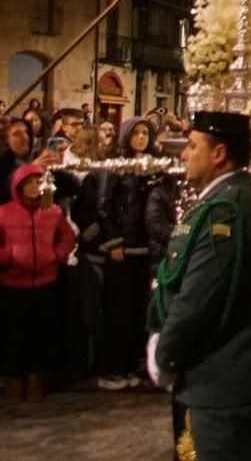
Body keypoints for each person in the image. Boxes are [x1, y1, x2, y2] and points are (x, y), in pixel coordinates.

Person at [147, 111, 251, 461]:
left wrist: (165, 354)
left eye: (192, 146)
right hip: (227, 370)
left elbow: (200, 296)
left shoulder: (226, 208)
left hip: (224, 371)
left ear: (218, 154)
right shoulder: (228, 198)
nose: (183, 155)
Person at [0, 163, 75, 402]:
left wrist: (56, 255)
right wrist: (5, 257)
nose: (33, 187)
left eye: (37, 181)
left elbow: (67, 236)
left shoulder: (52, 211)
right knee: (13, 334)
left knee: (41, 334)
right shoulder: (3, 212)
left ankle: (35, 379)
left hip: (45, 282)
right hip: (12, 284)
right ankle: (13, 379)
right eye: (28, 182)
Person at [95, 119, 157, 389]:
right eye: (137, 133)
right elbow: (103, 205)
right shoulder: (116, 166)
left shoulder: (151, 166)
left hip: (144, 246)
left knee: (137, 312)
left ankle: (131, 365)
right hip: (122, 246)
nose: (142, 137)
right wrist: (113, 241)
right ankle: (112, 368)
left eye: (146, 133)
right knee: (117, 312)